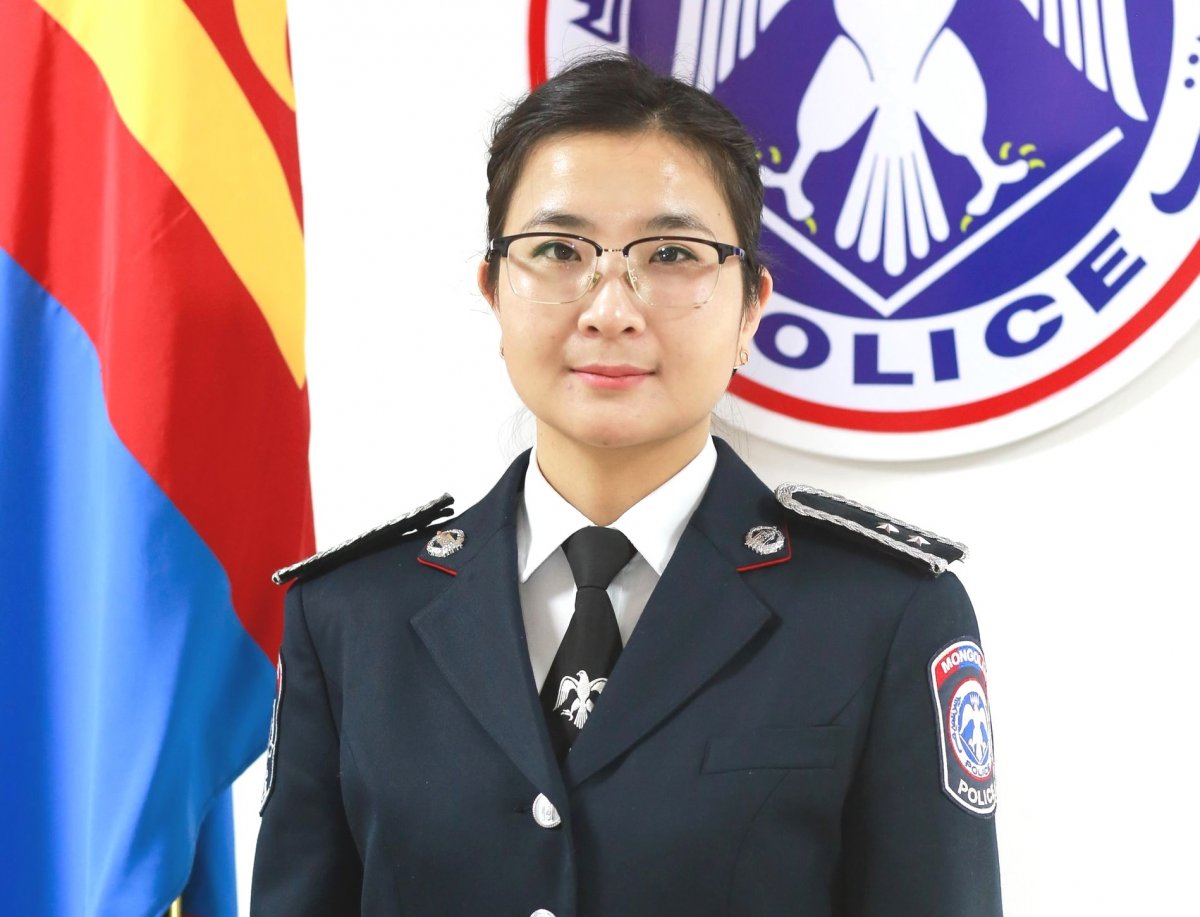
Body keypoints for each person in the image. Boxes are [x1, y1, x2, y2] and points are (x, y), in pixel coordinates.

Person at [251, 53, 1002, 916]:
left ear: (751, 307)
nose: (610, 309)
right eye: (558, 250)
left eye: (673, 253)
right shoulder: (353, 616)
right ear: (494, 291)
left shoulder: (880, 613)